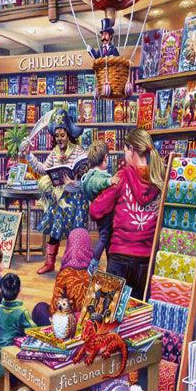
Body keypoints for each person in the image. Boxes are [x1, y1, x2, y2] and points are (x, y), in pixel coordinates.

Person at [88, 128, 164, 299]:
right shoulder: (159, 179)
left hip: (119, 256)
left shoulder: (122, 177)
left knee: (109, 310)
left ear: (131, 149)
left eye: (125, 150)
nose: (124, 155)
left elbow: (95, 210)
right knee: (139, 310)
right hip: (147, 260)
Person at [20, 107, 89, 275]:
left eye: (62, 135)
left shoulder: (79, 151)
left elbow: (86, 177)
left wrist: (75, 182)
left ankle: (74, 264)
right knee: (55, 229)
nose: (59, 139)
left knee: (75, 232)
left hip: (76, 199)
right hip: (60, 198)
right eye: (57, 136)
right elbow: (43, 170)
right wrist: (29, 155)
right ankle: (50, 263)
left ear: (69, 134)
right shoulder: (54, 152)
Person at [30, 226, 93, 327]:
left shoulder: (65, 274)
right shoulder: (95, 274)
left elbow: (54, 309)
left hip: (65, 326)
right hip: (86, 324)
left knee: (39, 307)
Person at [81, 140, 114, 274]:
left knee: (106, 239)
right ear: (105, 157)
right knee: (105, 238)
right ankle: (93, 264)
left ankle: (109, 266)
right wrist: (109, 181)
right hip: (106, 213)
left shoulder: (89, 174)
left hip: (99, 212)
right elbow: (97, 183)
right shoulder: (98, 175)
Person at [0, 273, 30, 354]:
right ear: (19, 290)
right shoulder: (22, 311)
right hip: (10, 352)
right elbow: (32, 330)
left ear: (0, 291)